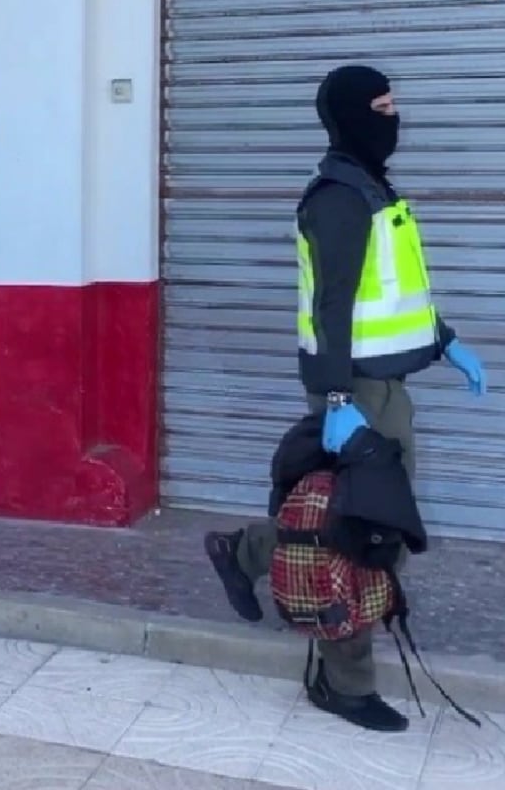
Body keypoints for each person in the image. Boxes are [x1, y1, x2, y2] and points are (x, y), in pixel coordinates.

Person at [203, 65, 488, 733]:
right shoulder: (338, 198)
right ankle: (344, 683)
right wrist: (335, 397)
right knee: (362, 532)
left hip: (383, 385)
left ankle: (245, 552)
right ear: (350, 116)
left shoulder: (373, 188)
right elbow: (333, 306)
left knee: (362, 524)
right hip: (355, 388)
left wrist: (445, 342)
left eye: (394, 104)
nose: (393, 117)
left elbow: (393, 292)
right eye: (381, 106)